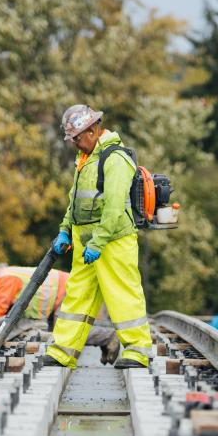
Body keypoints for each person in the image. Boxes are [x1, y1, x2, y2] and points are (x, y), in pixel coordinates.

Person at [45, 105, 152, 369]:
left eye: (77, 138)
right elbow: (75, 200)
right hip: (85, 242)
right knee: (77, 297)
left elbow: (115, 206)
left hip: (112, 241)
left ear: (92, 130)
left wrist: (99, 241)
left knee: (122, 293)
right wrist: (65, 229)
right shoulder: (85, 159)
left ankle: (137, 351)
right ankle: (63, 351)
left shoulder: (115, 158)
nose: (75, 144)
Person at [0, 266, 121, 365]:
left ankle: (108, 338)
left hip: (63, 290)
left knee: (68, 333)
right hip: (59, 292)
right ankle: (105, 341)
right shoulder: (1, 276)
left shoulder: (5, 281)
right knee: (63, 335)